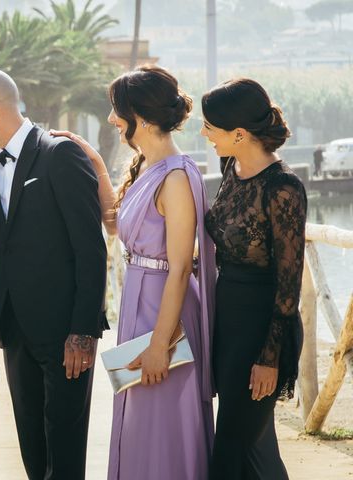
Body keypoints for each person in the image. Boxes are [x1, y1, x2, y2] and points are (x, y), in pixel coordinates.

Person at [52, 65, 216, 480]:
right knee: (138, 420)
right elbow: (121, 225)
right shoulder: (146, 165)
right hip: (138, 303)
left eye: (116, 110)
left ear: (140, 117)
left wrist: (161, 344)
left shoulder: (176, 177)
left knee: (160, 424)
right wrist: (93, 160)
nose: (111, 118)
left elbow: (180, 268)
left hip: (165, 309)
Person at [0, 69, 108, 480]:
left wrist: (83, 330)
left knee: (65, 449)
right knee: (31, 447)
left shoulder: (60, 154)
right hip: (15, 333)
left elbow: (91, 249)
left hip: (66, 333)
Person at [202, 78, 306, 480]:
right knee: (254, 453)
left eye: (211, 127)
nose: (205, 134)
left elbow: (289, 283)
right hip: (227, 321)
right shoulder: (231, 167)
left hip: (262, 333)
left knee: (228, 451)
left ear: (240, 134)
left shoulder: (284, 189)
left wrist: (270, 358)